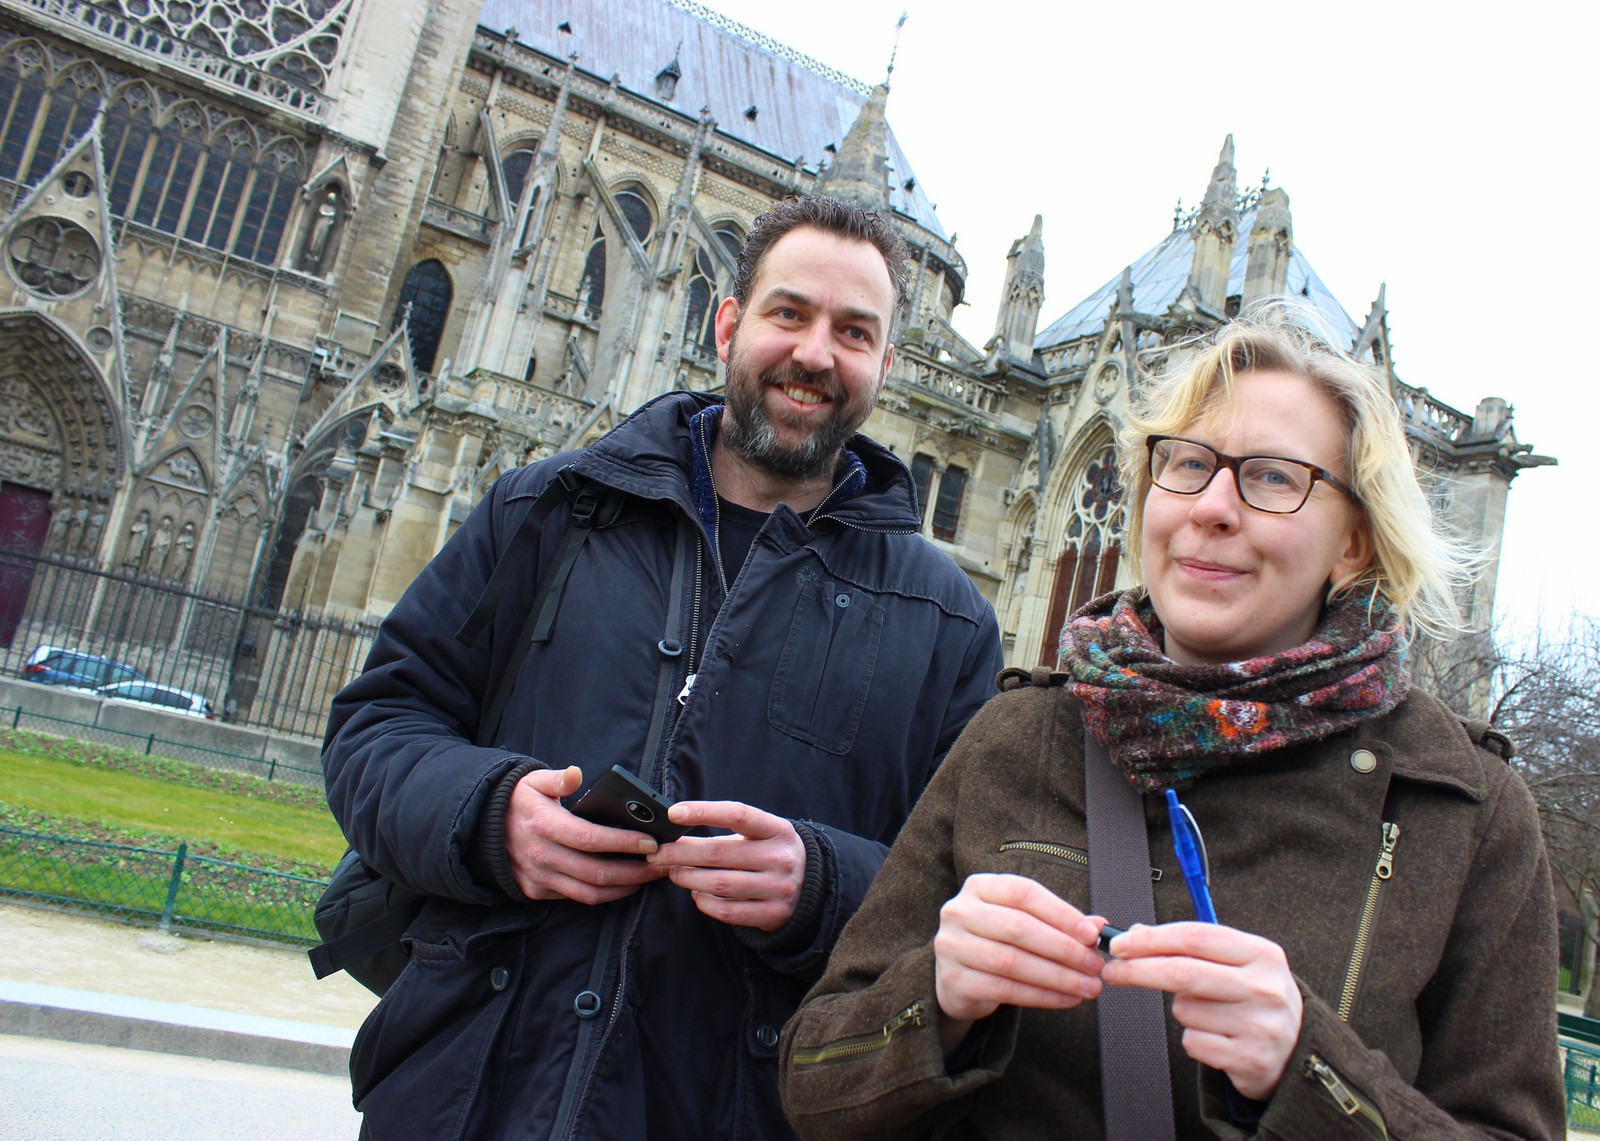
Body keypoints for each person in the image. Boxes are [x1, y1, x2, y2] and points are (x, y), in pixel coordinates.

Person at [780, 304, 1563, 1139]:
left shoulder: (1462, 807)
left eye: (1272, 477)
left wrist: (1311, 1068)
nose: (1211, 506)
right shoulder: (1015, 738)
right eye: (1187, 463)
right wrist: (935, 998)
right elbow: (811, 1083)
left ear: (1355, 544)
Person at [321, 194, 1004, 1139]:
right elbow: (374, 730)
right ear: (727, 325)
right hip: (474, 1098)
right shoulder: (544, 512)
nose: (815, 354)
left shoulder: (948, 620)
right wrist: (490, 816)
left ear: (886, 367)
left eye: (855, 332)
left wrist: (821, 884)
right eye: (789, 313)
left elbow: (972, 885)